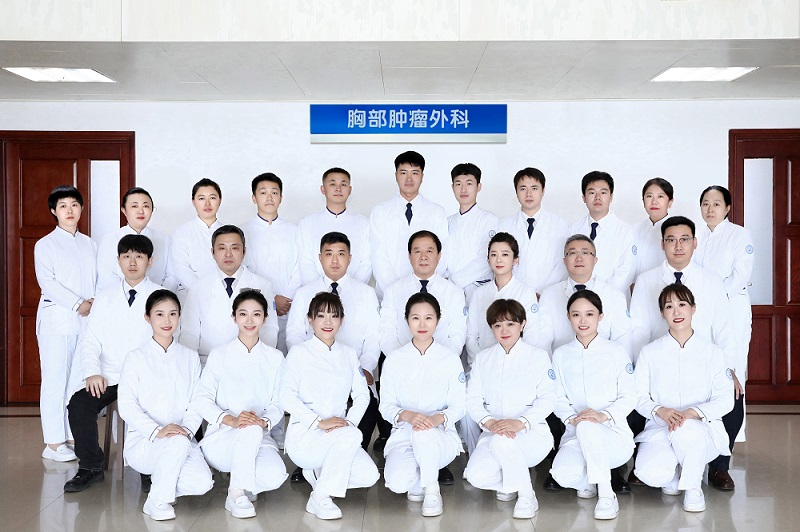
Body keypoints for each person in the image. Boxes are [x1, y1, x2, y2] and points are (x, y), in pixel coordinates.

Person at [63, 234, 163, 492]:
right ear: (118, 261)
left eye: (139, 256)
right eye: (127, 256)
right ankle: (90, 467)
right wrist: (92, 372)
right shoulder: (104, 298)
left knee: (156, 408)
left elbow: (167, 339)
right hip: (110, 376)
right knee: (79, 404)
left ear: (150, 261)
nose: (133, 262)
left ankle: (149, 468)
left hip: (145, 377)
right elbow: (90, 341)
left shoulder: (160, 296)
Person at [633, 284, 733, 513]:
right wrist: (661, 411)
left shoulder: (713, 352)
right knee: (650, 473)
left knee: (687, 429)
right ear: (662, 313)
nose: (676, 311)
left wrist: (692, 413)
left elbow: (726, 399)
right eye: (669, 306)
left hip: (700, 430)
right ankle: (678, 469)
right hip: (660, 427)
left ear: (693, 309)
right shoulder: (649, 352)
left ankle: (693, 487)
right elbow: (637, 396)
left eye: (682, 304)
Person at [280, 292, 379, 520]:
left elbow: (362, 394)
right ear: (310, 319)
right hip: (306, 436)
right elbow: (286, 396)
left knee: (369, 475)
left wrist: (349, 424)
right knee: (352, 437)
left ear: (341, 320)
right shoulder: (299, 353)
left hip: (341, 434)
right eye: (321, 315)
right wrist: (319, 422)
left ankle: (319, 485)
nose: (328, 322)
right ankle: (322, 498)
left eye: (334, 316)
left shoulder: (348, 354)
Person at [118, 290, 214, 521]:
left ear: (180, 316)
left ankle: (157, 494)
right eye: (159, 314)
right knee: (176, 444)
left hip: (183, 438)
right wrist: (157, 431)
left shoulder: (190, 357)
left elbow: (197, 402)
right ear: (147, 317)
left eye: (173, 313)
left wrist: (185, 431)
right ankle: (159, 502)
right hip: (145, 442)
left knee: (202, 482)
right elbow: (127, 405)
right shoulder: (136, 357)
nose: (167, 320)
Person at [194, 289, 287, 519]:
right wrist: (232, 420)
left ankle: (242, 484)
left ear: (265, 318)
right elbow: (202, 399)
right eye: (243, 314)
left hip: (260, 437)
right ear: (234, 317)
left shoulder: (275, 358)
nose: (249, 320)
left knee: (275, 475)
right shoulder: (219, 355)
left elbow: (278, 403)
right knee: (249, 428)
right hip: (222, 439)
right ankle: (236, 493)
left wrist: (263, 421)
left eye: (256, 314)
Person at [285, 232, 381, 453]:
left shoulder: (366, 293)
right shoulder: (304, 293)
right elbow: (294, 334)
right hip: (312, 372)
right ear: (320, 258)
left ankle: (350, 451)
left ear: (350, 258)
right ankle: (310, 457)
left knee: (365, 402)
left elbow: (374, 337)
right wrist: (309, 362)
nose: (335, 260)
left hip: (355, 370)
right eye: (329, 254)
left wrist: (365, 368)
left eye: (341, 254)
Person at [464, 299, 555, 520]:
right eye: (497, 325)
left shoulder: (538, 357)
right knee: (475, 476)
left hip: (532, 434)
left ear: (522, 324)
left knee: (502, 441)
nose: (504, 330)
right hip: (493, 432)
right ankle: (514, 480)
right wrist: (489, 422)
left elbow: (548, 398)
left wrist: (520, 422)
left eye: (510, 324)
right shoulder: (483, 359)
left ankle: (526, 496)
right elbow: (472, 399)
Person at [549, 290, 635, 520]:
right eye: (576, 314)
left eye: (589, 314)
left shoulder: (616, 352)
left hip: (613, 436)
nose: (583, 320)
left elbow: (629, 396)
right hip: (575, 434)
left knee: (588, 426)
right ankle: (588, 481)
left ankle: (606, 494)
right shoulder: (561, 354)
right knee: (561, 474)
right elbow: (556, 397)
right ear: (568, 317)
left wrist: (602, 416)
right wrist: (574, 419)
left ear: (600, 316)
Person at [380, 293, 466, 517]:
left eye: (428, 318)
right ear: (406, 319)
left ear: (438, 319)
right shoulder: (394, 359)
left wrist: (437, 418)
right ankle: (420, 477)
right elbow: (385, 405)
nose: (422, 324)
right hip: (403, 435)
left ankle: (432, 490)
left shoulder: (450, 359)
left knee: (424, 433)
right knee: (398, 483)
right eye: (415, 318)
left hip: (439, 437)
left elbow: (459, 404)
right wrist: (407, 416)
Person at [694, 185, 754, 482]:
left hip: (731, 310)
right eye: (705, 203)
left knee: (731, 375)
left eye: (716, 204)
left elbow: (741, 275)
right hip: (700, 313)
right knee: (702, 375)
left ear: (728, 208)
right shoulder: (696, 236)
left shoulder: (739, 235)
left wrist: (713, 296)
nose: (710, 209)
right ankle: (700, 446)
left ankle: (722, 459)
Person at [34, 185, 97, 462]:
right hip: (57, 320)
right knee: (55, 379)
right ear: (54, 211)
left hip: (86, 320)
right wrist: (77, 303)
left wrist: (93, 303)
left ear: (81, 208)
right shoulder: (45, 245)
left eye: (74, 205)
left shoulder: (90, 244)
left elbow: (97, 280)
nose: (69, 210)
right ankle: (53, 443)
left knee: (76, 381)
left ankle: (72, 436)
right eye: (63, 206)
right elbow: (48, 283)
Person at [180, 225, 279, 365]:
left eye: (234, 248)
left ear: (244, 251)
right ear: (212, 252)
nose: (228, 254)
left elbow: (270, 329)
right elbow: (189, 334)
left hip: (252, 362)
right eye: (222, 248)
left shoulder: (262, 285)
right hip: (208, 363)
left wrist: (260, 360)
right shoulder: (198, 288)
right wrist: (191, 366)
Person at [369, 151, 449, 298]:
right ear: (396, 176)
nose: (409, 178)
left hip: (428, 293)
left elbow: (442, 254)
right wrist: (396, 292)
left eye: (415, 173)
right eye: (403, 172)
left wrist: (425, 286)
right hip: (388, 293)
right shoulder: (380, 212)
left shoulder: (437, 212)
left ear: (422, 176)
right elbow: (378, 255)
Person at [539, 234, 632, 358]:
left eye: (585, 253)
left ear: (595, 260)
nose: (579, 258)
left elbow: (623, 342)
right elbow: (542, 341)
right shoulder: (549, 294)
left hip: (603, 363)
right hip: (562, 364)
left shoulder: (614, 296)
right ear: (564, 260)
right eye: (572, 253)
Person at [466, 232, 550, 367]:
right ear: (488, 259)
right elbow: (471, 335)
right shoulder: (478, 293)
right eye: (494, 255)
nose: (499, 260)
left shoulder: (525, 293)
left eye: (505, 254)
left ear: (515, 259)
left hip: (517, 364)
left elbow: (531, 335)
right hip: (484, 364)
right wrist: (480, 363)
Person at [380, 230, 466, 357]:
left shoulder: (454, 293)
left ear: (439, 256)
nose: (423, 257)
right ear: (409, 256)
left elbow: (457, 336)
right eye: (417, 251)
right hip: (402, 362)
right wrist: (401, 359)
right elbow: (387, 333)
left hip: (441, 362)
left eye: (429, 251)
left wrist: (440, 361)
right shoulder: (393, 291)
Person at [242, 172, 301, 354]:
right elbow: (244, 271)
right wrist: (271, 298)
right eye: (263, 193)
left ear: (281, 197)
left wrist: (287, 298)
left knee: (290, 354)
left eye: (274, 193)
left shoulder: (295, 230)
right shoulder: (243, 232)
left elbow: (301, 266)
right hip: (257, 305)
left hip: (289, 307)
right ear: (254, 198)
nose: (269, 198)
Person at [497, 167, 570, 294]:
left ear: (543, 190)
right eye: (523, 189)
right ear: (516, 192)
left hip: (549, 294)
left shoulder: (560, 225)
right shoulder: (503, 225)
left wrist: (543, 292)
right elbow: (500, 263)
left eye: (534, 188)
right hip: (513, 294)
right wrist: (520, 291)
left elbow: (562, 264)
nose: (528, 194)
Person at [297, 167, 371, 285]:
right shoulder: (307, 223)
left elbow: (366, 263)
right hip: (317, 292)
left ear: (350, 190)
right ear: (323, 189)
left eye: (343, 184)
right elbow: (305, 263)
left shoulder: (364, 224)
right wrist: (321, 290)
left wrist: (352, 288)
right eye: (332, 184)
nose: (338, 189)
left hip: (354, 290)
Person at [96, 187, 176, 291]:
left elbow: (172, 276)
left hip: (157, 298)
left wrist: (158, 297)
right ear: (124, 210)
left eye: (146, 206)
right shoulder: (110, 239)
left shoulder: (164, 239)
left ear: (152, 210)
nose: (141, 211)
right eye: (134, 206)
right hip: (119, 297)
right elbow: (107, 277)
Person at [571, 171, 636, 294]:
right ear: (584, 198)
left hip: (612, 297)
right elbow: (569, 265)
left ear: (611, 197)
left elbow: (626, 271)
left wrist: (601, 295)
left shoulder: (625, 230)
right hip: (578, 296)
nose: (598, 197)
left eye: (603, 192)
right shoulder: (573, 229)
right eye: (592, 192)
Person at [446, 163, 498, 300]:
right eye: (458, 184)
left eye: (469, 183)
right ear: (452, 187)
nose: (463, 189)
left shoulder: (488, 219)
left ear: (478, 187)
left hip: (478, 288)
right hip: (450, 291)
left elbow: (487, 258)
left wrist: (454, 281)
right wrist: (445, 283)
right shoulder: (447, 221)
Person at [169, 178, 223, 295]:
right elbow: (181, 269)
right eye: (201, 198)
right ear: (193, 202)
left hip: (224, 293)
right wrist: (204, 292)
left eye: (212, 198)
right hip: (192, 295)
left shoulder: (228, 233)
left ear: (220, 200)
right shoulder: (181, 233)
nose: (207, 203)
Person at [633, 178, 674, 279]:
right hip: (633, 286)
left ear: (670, 202)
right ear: (643, 201)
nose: (654, 202)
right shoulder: (634, 229)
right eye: (649, 196)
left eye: (660, 196)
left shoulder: (675, 230)